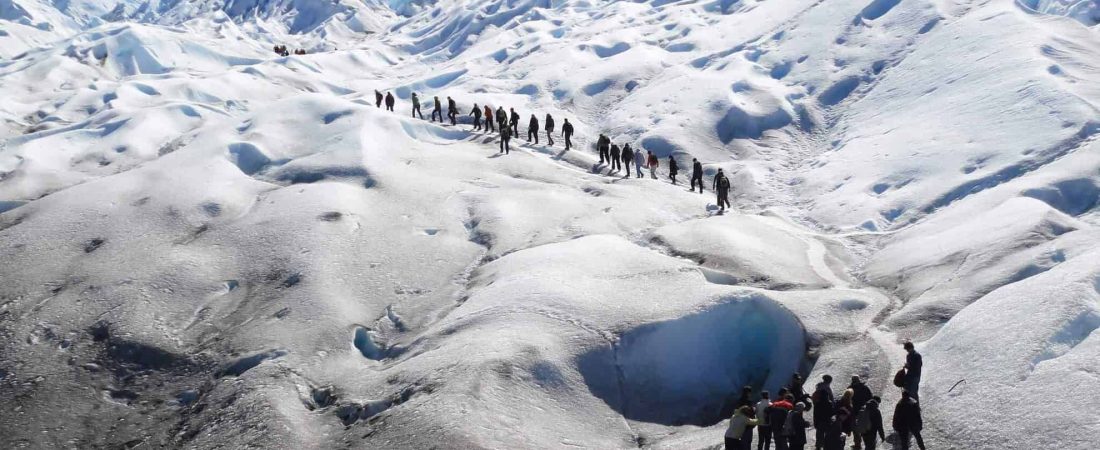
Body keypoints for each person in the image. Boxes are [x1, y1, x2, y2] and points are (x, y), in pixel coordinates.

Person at [812, 375, 835, 450]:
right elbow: (832, 409)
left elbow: (815, 413)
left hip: (819, 418)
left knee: (819, 433)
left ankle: (818, 447)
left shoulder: (819, 387)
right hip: (827, 419)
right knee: (827, 434)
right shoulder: (827, 389)